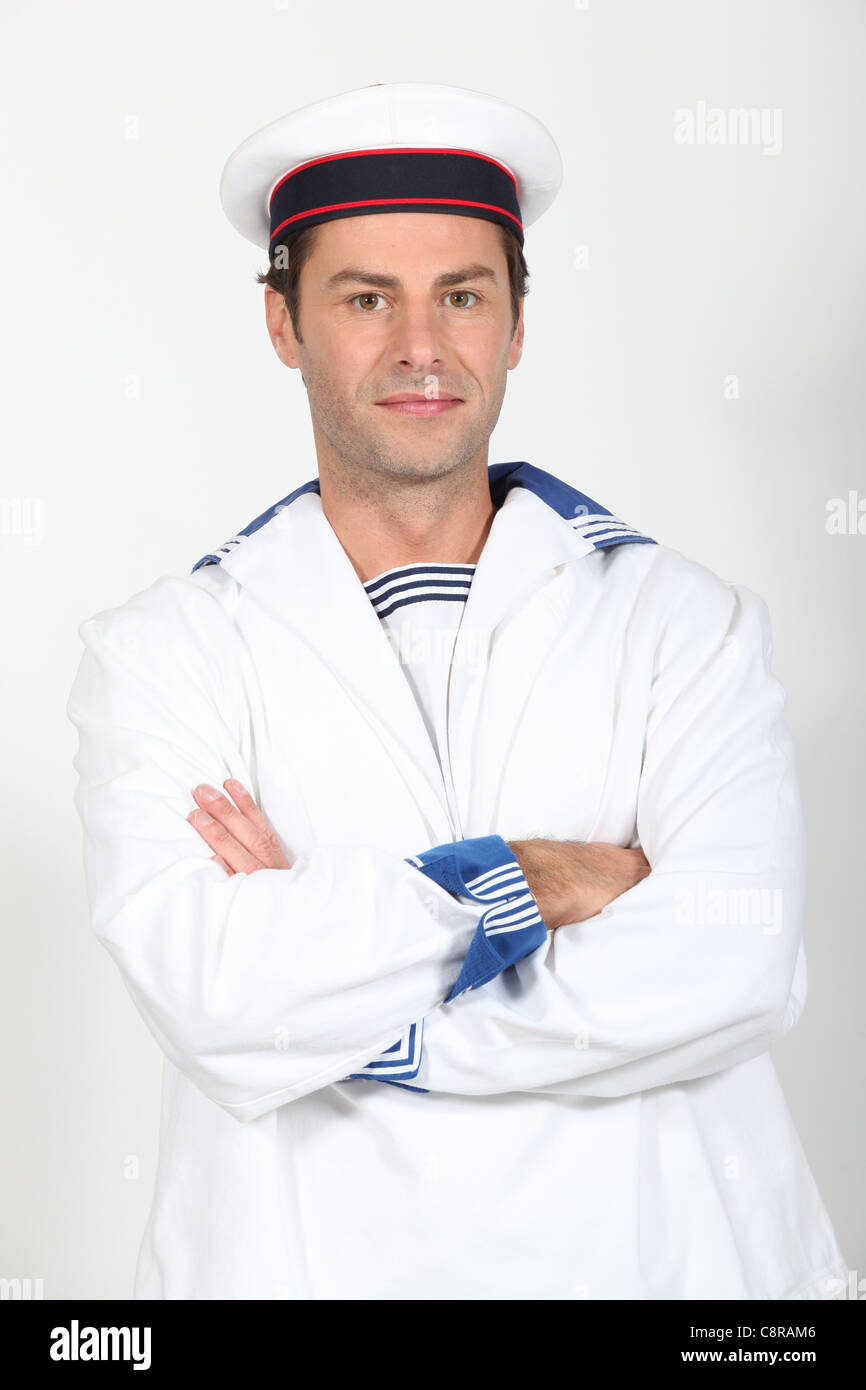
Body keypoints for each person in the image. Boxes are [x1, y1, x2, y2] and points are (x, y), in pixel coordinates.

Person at [67, 81, 848, 1300]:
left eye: (462, 296)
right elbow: (215, 993)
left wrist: (333, 993)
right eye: (365, 298)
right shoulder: (163, 652)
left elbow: (734, 965)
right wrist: (536, 879)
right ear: (281, 323)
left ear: (517, 325)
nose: (420, 348)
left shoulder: (684, 626)